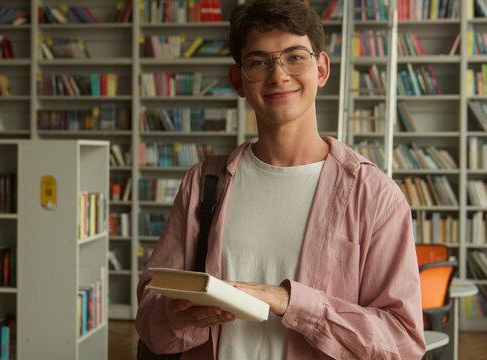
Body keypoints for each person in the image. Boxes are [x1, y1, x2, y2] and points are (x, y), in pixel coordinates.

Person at [135, 0, 425, 358]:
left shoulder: (375, 195)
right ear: (238, 80)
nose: (278, 75)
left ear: (320, 69)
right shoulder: (203, 182)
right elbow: (150, 310)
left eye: (295, 57)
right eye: (259, 61)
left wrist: (290, 302)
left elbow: (402, 343)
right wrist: (177, 315)